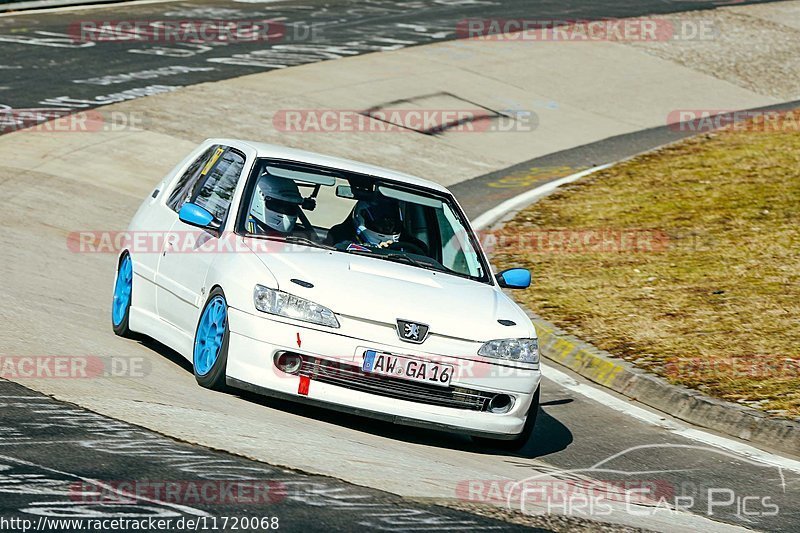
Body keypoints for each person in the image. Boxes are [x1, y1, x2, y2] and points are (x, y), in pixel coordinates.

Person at [325, 198, 427, 255]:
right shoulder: (340, 237)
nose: (387, 225)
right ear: (362, 217)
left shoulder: (414, 247)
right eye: (381, 219)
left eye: (392, 218)